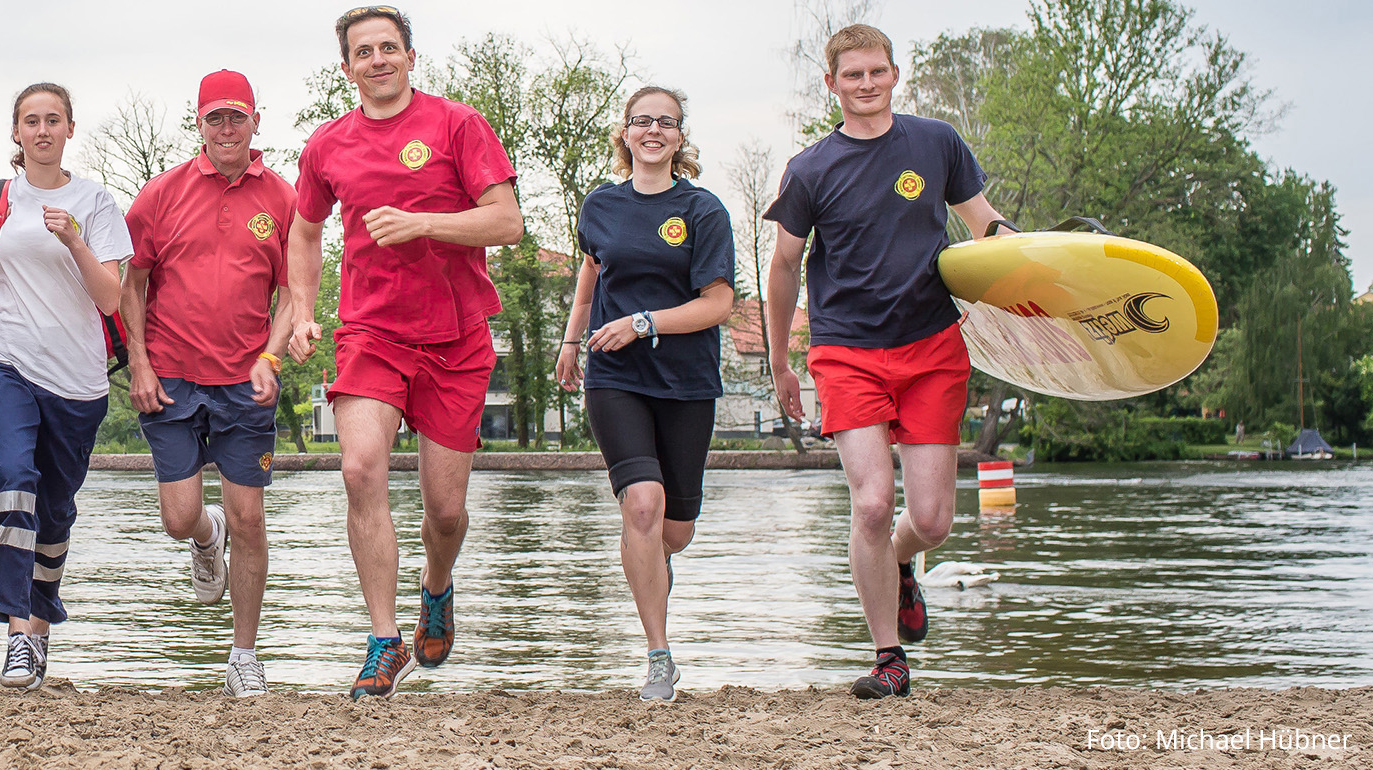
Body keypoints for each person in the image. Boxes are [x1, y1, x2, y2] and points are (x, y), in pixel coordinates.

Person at [762, 24, 1007, 699]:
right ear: (831, 83)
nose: (866, 84)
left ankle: (903, 566)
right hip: (845, 348)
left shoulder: (936, 143)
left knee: (930, 521)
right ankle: (888, 657)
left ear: (895, 75)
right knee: (871, 503)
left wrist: (1030, 252)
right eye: (853, 75)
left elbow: (984, 223)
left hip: (931, 345)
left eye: (877, 72)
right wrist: (783, 360)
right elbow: (784, 266)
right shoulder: (810, 169)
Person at [287, 6, 524, 699]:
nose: (378, 59)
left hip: (455, 337)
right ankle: (383, 641)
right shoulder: (327, 146)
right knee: (361, 470)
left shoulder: (457, 124)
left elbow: (507, 220)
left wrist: (425, 222)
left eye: (389, 47)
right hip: (370, 332)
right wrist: (303, 309)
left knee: (444, 513)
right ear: (347, 68)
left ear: (411, 57)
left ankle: (438, 586)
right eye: (364, 52)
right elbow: (303, 233)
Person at [553, 86, 735, 702]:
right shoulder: (600, 204)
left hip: (685, 382)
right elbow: (590, 275)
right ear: (625, 134)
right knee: (642, 505)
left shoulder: (704, 210)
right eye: (642, 121)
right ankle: (659, 654)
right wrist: (571, 342)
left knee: (673, 531)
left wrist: (645, 322)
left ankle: (655, 563)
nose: (654, 130)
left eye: (667, 122)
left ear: (680, 137)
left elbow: (719, 303)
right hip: (616, 378)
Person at [119, 69, 297, 697]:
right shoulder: (161, 194)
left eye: (237, 116)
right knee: (180, 517)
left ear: (256, 121)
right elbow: (130, 285)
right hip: (170, 376)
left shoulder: (282, 197)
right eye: (214, 117)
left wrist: (271, 358)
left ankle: (243, 656)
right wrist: (138, 361)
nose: (227, 128)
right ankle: (204, 537)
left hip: (245, 386)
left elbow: (292, 294)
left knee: (249, 515)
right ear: (198, 124)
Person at [0, 82, 130, 691]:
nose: (42, 131)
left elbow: (110, 298)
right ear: (16, 132)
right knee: (12, 475)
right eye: (31, 121)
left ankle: (37, 634)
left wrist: (75, 240)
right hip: (5, 361)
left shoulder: (96, 201)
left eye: (53, 120)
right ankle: (16, 635)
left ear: (70, 130)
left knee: (53, 512)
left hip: (78, 380)